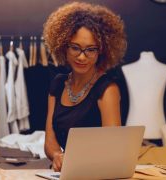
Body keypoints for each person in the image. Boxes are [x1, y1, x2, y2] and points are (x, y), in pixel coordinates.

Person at [43, 2, 127, 172]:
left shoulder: (107, 89)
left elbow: (111, 147)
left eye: (90, 50)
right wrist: (57, 156)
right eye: (75, 48)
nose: (82, 57)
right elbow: (50, 140)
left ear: (101, 51)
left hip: (97, 172)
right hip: (66, 173)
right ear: (63, 47)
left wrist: (74, 160)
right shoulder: (58, 84)